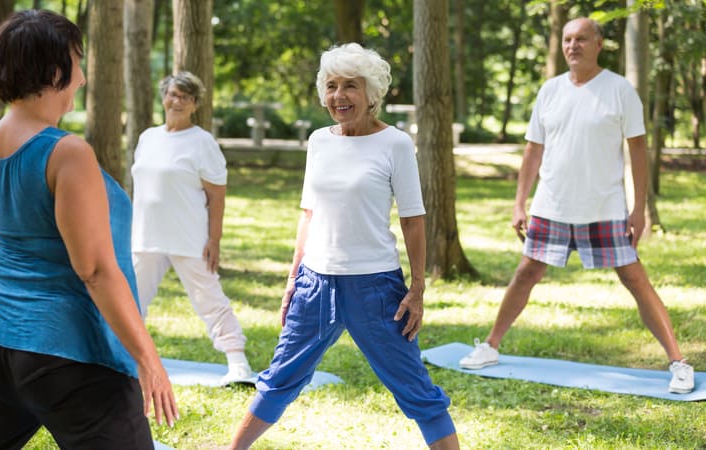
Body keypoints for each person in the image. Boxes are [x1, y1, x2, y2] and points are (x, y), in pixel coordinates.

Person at [0, 10, 178, 450]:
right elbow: (96, 270)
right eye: (78, 62)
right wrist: (148, 359)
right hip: (72, 350)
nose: (82, 78)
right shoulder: (68, 154)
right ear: (54, 70)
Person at [228, 43, 460, 450]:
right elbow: (308, 213)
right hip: (315, 284)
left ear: (371, 94)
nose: (339, 96)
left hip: (376, 290)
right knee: (280, 377)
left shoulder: (396, 144)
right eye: (332, 86)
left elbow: (412, 218)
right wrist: (291, 281)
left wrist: (418, 289)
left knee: (415, 389)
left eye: (350, 86)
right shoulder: (319, 141)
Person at [459, 17, 695, 394]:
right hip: (552, 206)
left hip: (604, 207)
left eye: (582, 39)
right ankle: (490, 346)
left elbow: (637, 152)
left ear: (599, 44)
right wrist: (520, 203)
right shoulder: (550, 91)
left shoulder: (620, 91)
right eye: (568, 39)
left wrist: (639, 209)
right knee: (525, 273)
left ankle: (678, 362)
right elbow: (533, 150)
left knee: (635, 278)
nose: (573, 45)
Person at [131, 71, 255, 385]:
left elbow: (217, 195)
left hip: (189, 237)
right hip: (145, 236)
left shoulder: (202, 143)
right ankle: (124, 361)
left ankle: (238, 363)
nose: (178, 101)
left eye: (186, 97)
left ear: (195, 104)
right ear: (164, 97)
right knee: (130, 299)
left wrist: (214, 239)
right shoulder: (148, 138)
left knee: (210, 298)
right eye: (173, 94)